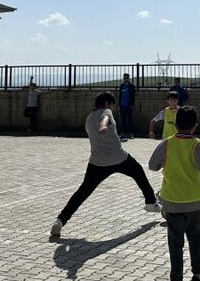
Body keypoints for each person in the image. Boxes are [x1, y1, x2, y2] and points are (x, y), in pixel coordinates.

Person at [50, 92, 161, 237]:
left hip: (97, 162)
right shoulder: (106, 111)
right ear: (108, 103)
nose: (112, 108)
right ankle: (151, 202)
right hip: (118, 158)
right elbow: (106, 118)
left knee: (82, 193)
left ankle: (59, 221)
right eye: (112, 105)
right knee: (138, 172)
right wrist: (103, 126)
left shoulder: (89, 119)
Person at [148, 106, 200, 281]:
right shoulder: (197, 145)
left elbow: (152, 165)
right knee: (195, 238)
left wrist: (165, 163)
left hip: (172, 202)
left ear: (176, 124)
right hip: (194, 201)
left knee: (175, 244)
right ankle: (197, 277)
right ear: (195, 126)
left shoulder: (167, 144)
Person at [118, 73, 137, 138]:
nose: (126, 79)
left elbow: (133, 97)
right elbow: (120, 96)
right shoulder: (121, 86)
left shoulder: (131, 86)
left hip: (129, 105)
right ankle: (124, 133)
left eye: (127, 78)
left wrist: (132, 104)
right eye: (125, 78)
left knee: (129, 119)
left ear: (129, 78)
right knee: (123, 120)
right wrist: (119, 104)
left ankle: (131, 133)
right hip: (122, 105)